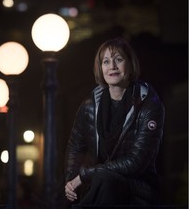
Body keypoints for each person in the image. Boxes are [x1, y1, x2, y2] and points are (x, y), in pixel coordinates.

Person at [64, 37, 165, 208]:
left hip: (137, 190)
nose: (112, 67)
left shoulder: (149, 104)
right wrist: (70, 181)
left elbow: (136, 162)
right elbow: (75, 147)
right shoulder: (90, 105)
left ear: (130, 64)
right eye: (106, 61)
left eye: (118, 59)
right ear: (100, 68)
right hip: (99, 185)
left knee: (105, 180)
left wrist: (84, 176)